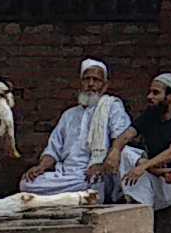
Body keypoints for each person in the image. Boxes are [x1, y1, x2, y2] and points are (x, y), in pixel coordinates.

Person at [23, 59, 136, 200]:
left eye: (96, 80)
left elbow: (121, 138)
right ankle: (73, 199)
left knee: (94, 183)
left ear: (105, 86)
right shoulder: (69, 115)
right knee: (27, 183)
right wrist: (41, 167)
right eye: (86, 79)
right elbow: (53, 149)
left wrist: (99, 164)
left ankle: (60, 199)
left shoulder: (112, 107)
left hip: (93, 173)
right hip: (65, 174)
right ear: (80, 84)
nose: (91, 84)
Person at [110, 71, 171, 212]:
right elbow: (125, 137)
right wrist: (115, 150)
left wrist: (143, 167)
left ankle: (142, 207)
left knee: (143, 175)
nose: (149, 97)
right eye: (150, 92)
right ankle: (153, 178)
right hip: (153, 171)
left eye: (156, 93)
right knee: (125, 152)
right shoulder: (150, 116)